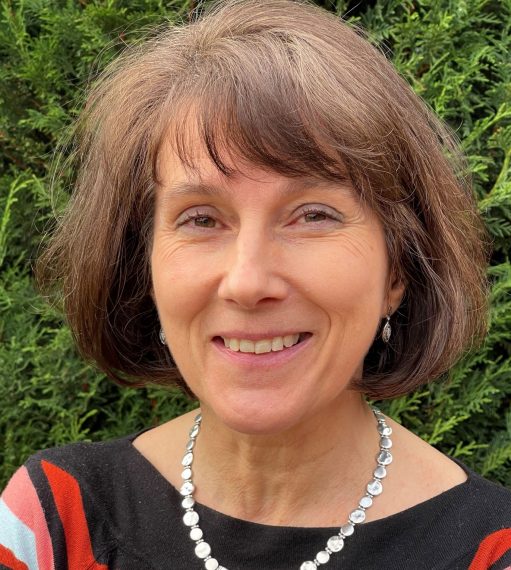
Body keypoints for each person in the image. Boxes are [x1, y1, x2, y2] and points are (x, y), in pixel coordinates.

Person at [1, 0, 510, 568]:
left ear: (397, 270)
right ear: (145, 265)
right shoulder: (55, 523)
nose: (247, 282)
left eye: (312, 215)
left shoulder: (491, 551)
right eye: (201, 219)